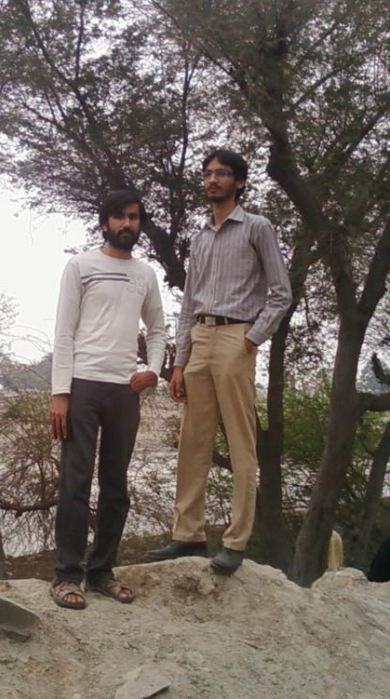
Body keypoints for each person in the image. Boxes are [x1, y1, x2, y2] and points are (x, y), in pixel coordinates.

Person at [145, 149, 292, 574]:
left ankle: (236, 540)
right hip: (200, 338)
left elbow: (281, 293)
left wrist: (251, 339)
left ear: (240, 182)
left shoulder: (257, 228)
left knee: (241, 442)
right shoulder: (200, 237)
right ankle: (187, 535)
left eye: (222, 174)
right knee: (193, 442)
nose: (213, 180)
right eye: (208, 174)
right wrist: (178, 361)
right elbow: (188, 302)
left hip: (236, 336)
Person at [48, 189, 166, 610]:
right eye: (119, 217)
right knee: (75, 483)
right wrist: (60, 393)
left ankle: (102, 571)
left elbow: (156, 327)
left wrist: (151, 369)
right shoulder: (81, 266)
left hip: (124, 390)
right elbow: (64, 331)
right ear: (104, 223)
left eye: (133, 217)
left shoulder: (145, 274)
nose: (127, 224)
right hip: (82, 385)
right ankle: (66, 575)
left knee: (115, 486)